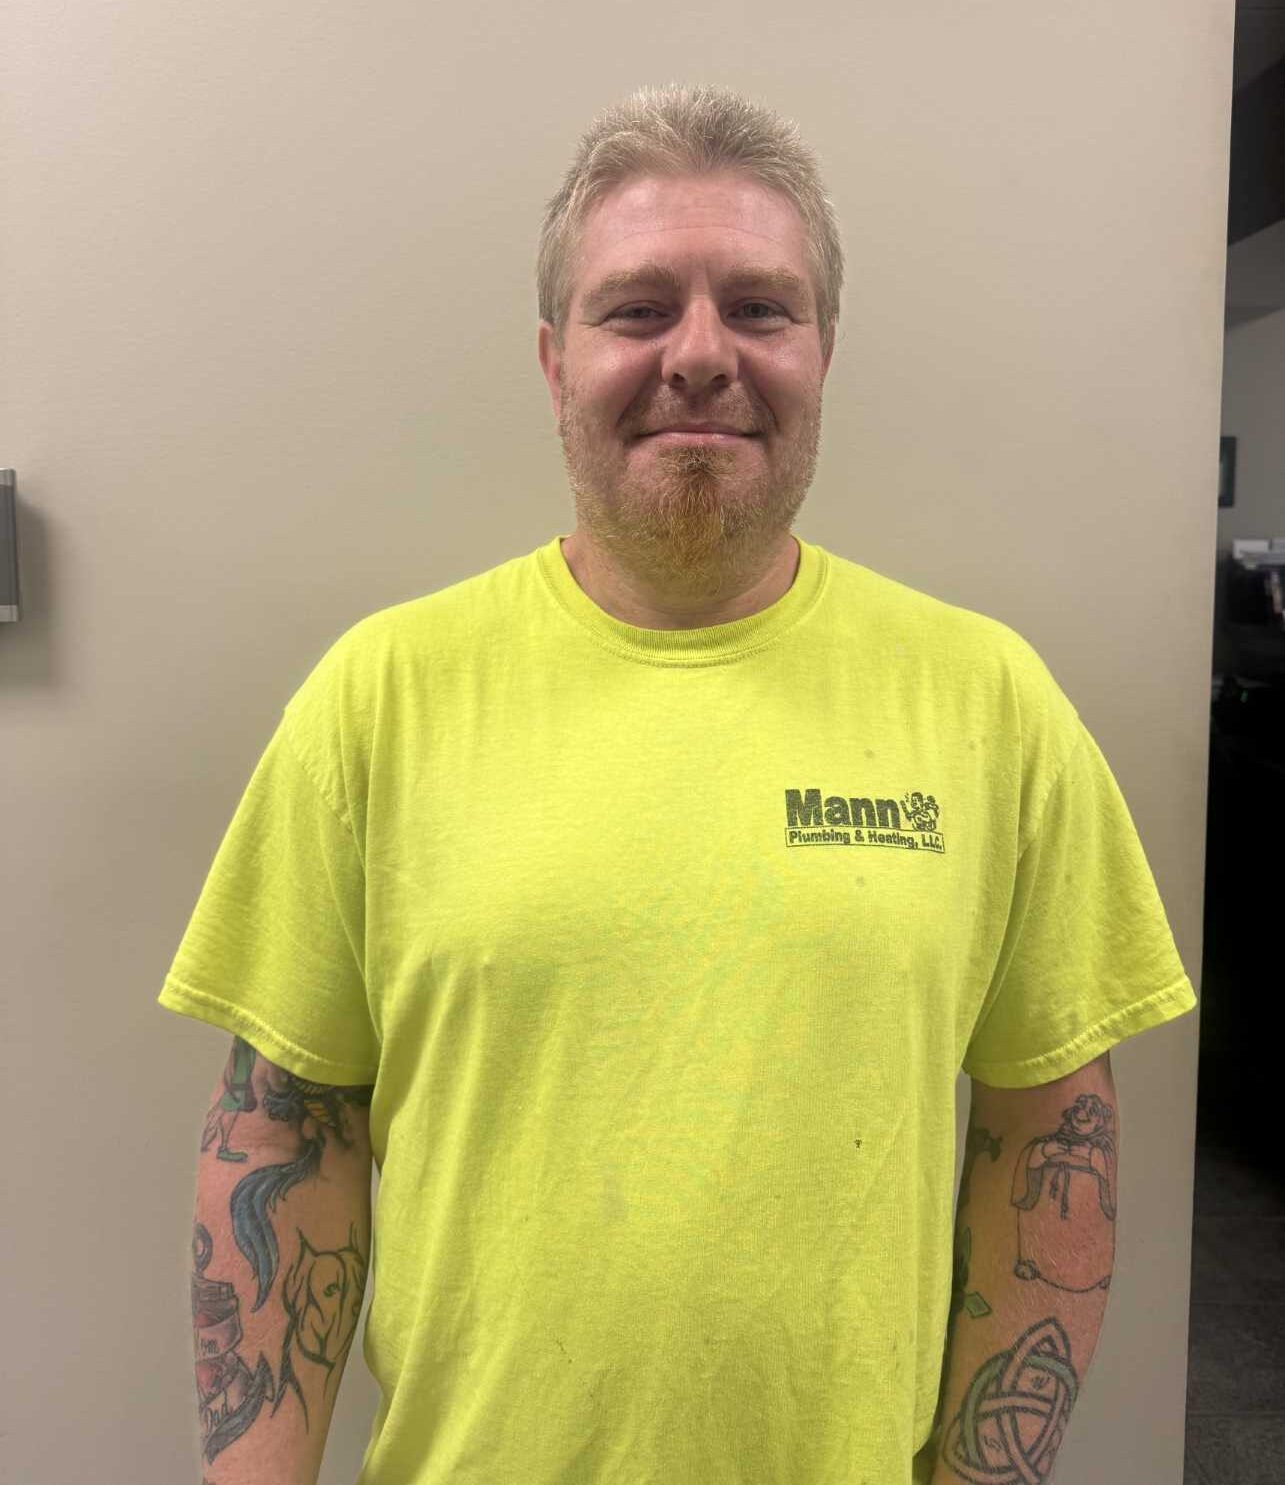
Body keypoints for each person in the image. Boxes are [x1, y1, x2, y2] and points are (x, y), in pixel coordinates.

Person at [159, 81, 1198, 1485]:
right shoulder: (377, 697)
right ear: (551, 360)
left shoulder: (989, 704)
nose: (699, 354)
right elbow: (283, 1132)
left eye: (759, 308)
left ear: (822, 350)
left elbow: (1047, 1136)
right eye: (638, 308)